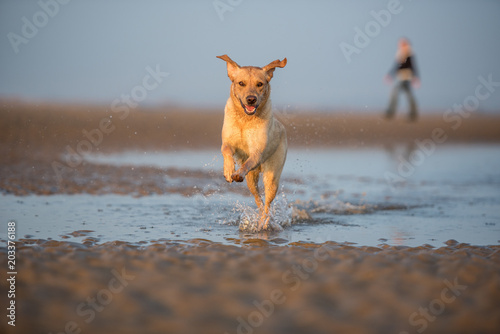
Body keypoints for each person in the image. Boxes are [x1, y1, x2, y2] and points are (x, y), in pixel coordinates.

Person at [384, 38, 420, 121]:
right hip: (400, 76)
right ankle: (412, 113)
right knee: (407, 95)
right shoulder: (400, 53)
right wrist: (390, 75)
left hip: (406, 76)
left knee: (396, 93)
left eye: (401, 44)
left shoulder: (409, 53)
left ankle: (391, 112)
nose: (399, 45)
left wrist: (416, 77)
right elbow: (396, 66)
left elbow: (413, 66)